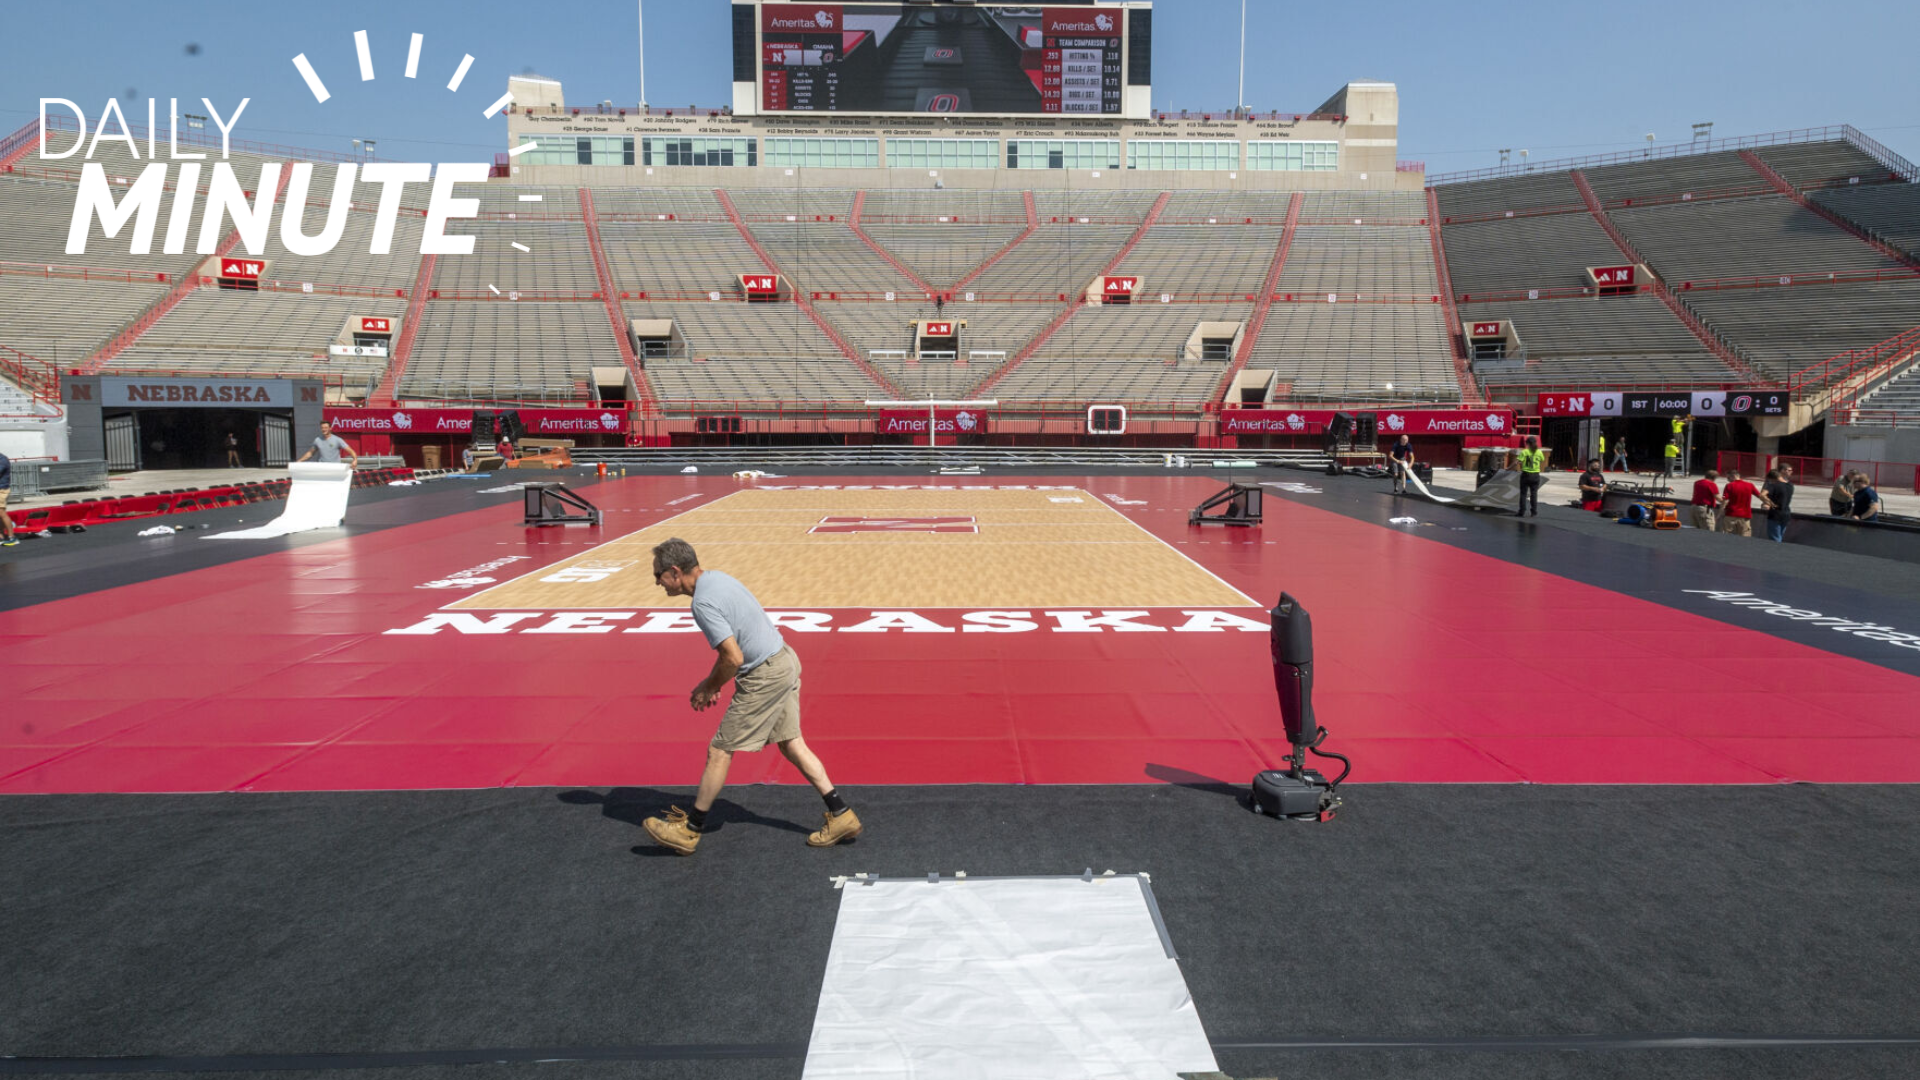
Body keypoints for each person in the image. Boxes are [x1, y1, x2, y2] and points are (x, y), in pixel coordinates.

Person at [641, 537, 861, 855]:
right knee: (792, 743)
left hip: (765, 675)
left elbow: (732, 657)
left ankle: (690, 831)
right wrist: (715, 682)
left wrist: (709, 687)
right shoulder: (716, 578)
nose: (657, 582)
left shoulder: (701, 603)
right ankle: (841, 814)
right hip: (784, 659)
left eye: (658, 575)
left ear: (675, 571)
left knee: (720, 750)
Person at [1718, 468, 1768, 538]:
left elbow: (1725, 501)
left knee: (1726, 536)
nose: (1728, 480)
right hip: (1745, 516)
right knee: (1745, 538)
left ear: (1734, 476)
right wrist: (1769, 503)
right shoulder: (1750, 485)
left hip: (1730, 515)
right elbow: (1760, 496)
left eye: (1728, 477)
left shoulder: (1729, 486)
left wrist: (1720, 513)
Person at [1514, 436, 1546, 517]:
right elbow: (1542, 460)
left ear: (1527, 444)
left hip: (1526, 474)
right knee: (1534, 494)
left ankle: (1522, 511)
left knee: (1523, 494)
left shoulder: (1524, 452)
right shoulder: (1539, 452)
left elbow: (1517, 462)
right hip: (1535, 475)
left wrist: (1508, 468)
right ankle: (1534, 512)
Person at [1762, 467, 1794, 543]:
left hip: (1775, 514)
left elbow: (1762, 495)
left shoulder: (1774, 485)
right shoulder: (1790, 486)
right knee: (1780, 536)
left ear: (1772, 478)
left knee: (1775, 538)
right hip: (1786, 514)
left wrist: (1770, 503)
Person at [0, 450, 17, 547]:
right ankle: (1, 536)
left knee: (2, 513)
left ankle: (12, 537)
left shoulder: (2, 460)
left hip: (1, 490)